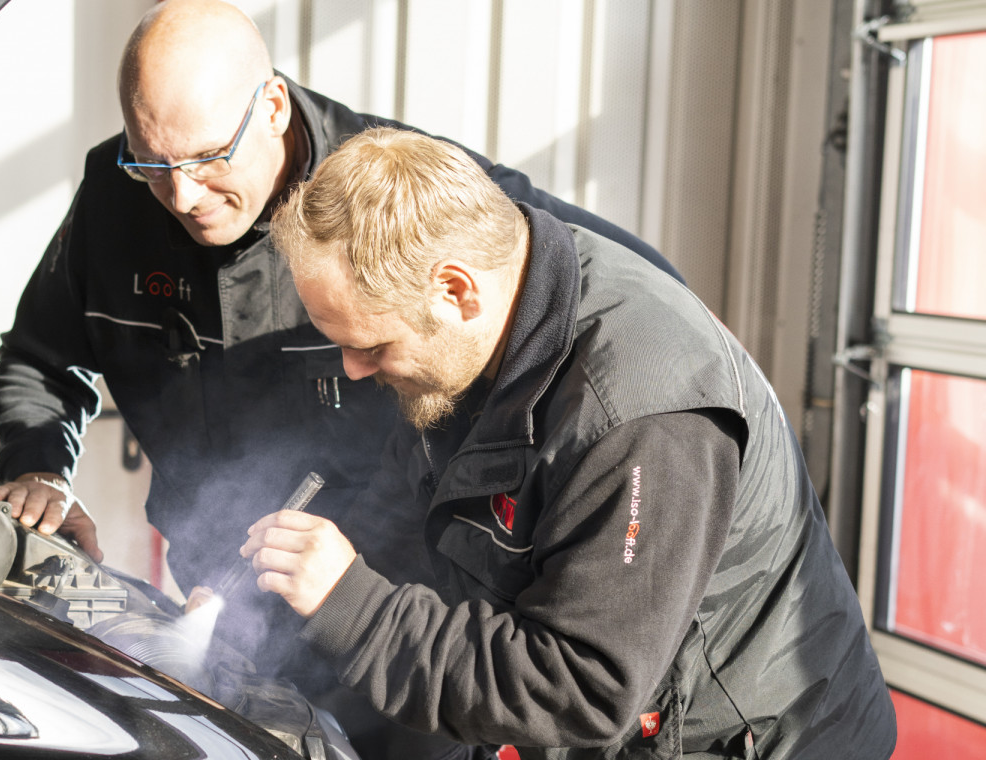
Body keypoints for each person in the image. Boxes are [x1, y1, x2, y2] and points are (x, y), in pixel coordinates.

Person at [0, 0, 680, 760]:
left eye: (208, 158)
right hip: (222, 599)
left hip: (398, 631)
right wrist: (39, 466)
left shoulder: (389, 207)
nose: (180, 196)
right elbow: (40, 356)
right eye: (154, 164)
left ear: (274, 106)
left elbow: (614, 291)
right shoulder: (117, 197)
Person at [243, 127, 897, 759]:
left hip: (751, 739)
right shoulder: (483, 313)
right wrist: (262, 607)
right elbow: (406, 506)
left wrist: (352, 608)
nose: (352, 369)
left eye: (371, 346)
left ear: (456, 291)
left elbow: (583, 687)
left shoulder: (639, 417)